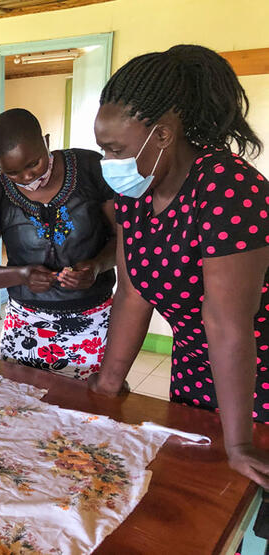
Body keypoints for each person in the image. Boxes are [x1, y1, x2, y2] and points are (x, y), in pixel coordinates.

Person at [89, 45, 268, 492]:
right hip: (194, 368)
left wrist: (240, 442)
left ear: (163, 134)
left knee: (239, 504)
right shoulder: (138, 195)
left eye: (115, 149)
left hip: (255, 376)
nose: (109, 163)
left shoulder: (230, 190)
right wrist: (109, 384)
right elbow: (132, 291)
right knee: (189, 489)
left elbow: (228, 326)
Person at [0, 109, 116, 379]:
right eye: (11, 172)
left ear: (45, 141)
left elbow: (124, 239)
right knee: (21, 409)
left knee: (89, 412)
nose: (26, 177)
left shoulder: (90, 168)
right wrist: (21, 275)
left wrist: (96, 267)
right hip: (25, 324)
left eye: (33, 164)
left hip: (92, 322)